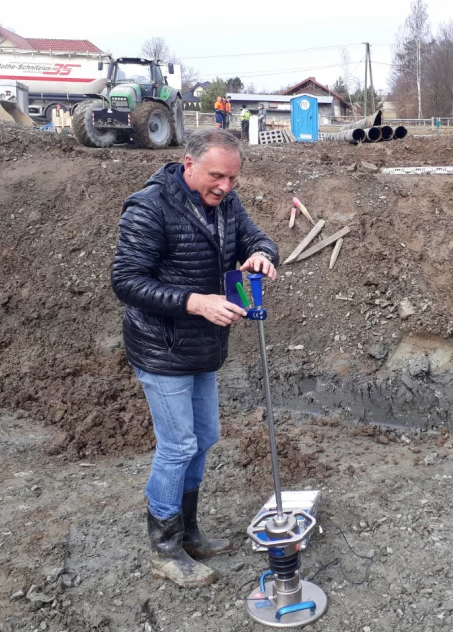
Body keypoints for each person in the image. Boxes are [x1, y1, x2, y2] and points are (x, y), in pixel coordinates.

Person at [111, 128, 279, 588]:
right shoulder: (149, 207)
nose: (225, 186)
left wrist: (261, 256)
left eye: (233, 178)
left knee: (205, 436)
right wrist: (195, 301)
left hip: (203, 345)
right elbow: (126, 281)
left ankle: (188, 532)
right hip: (161, 346)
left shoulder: (226, 203)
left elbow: (257, 239)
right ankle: (165, 550)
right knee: (178, 445)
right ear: (188, 164)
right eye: (216, 176)